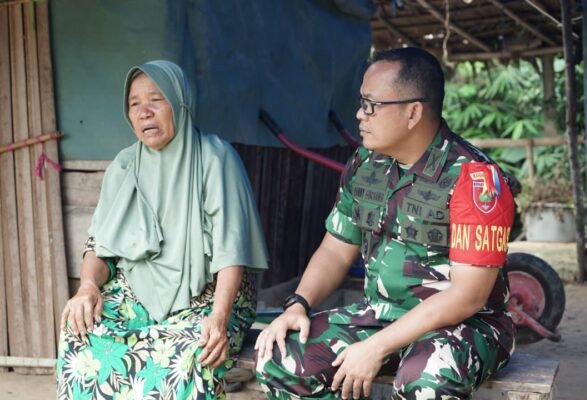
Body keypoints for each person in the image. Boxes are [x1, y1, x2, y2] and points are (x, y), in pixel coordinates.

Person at [254, 47, 517, 400]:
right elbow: (335, 249)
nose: (359, 115)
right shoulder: (365, 164)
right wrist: (299, 303)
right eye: (361, 103)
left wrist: (376, 346)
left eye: (371, 105)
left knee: (424, 381)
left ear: (413, 112)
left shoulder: (475, 178)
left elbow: (467, 297)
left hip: (467, 325)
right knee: (279, 356)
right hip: (382, 314)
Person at [56, 60, 269, 400]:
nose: (144, 112)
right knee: (80, 331)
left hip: (211, 297)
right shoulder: (124, 166)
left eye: (156, 100)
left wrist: (219, 316)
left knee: (189, 352)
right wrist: (87, 287)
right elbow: (99, 245)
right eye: (134, 104)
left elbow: (231, 251)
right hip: (136, 291)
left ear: (180, 103)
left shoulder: (215, 159)